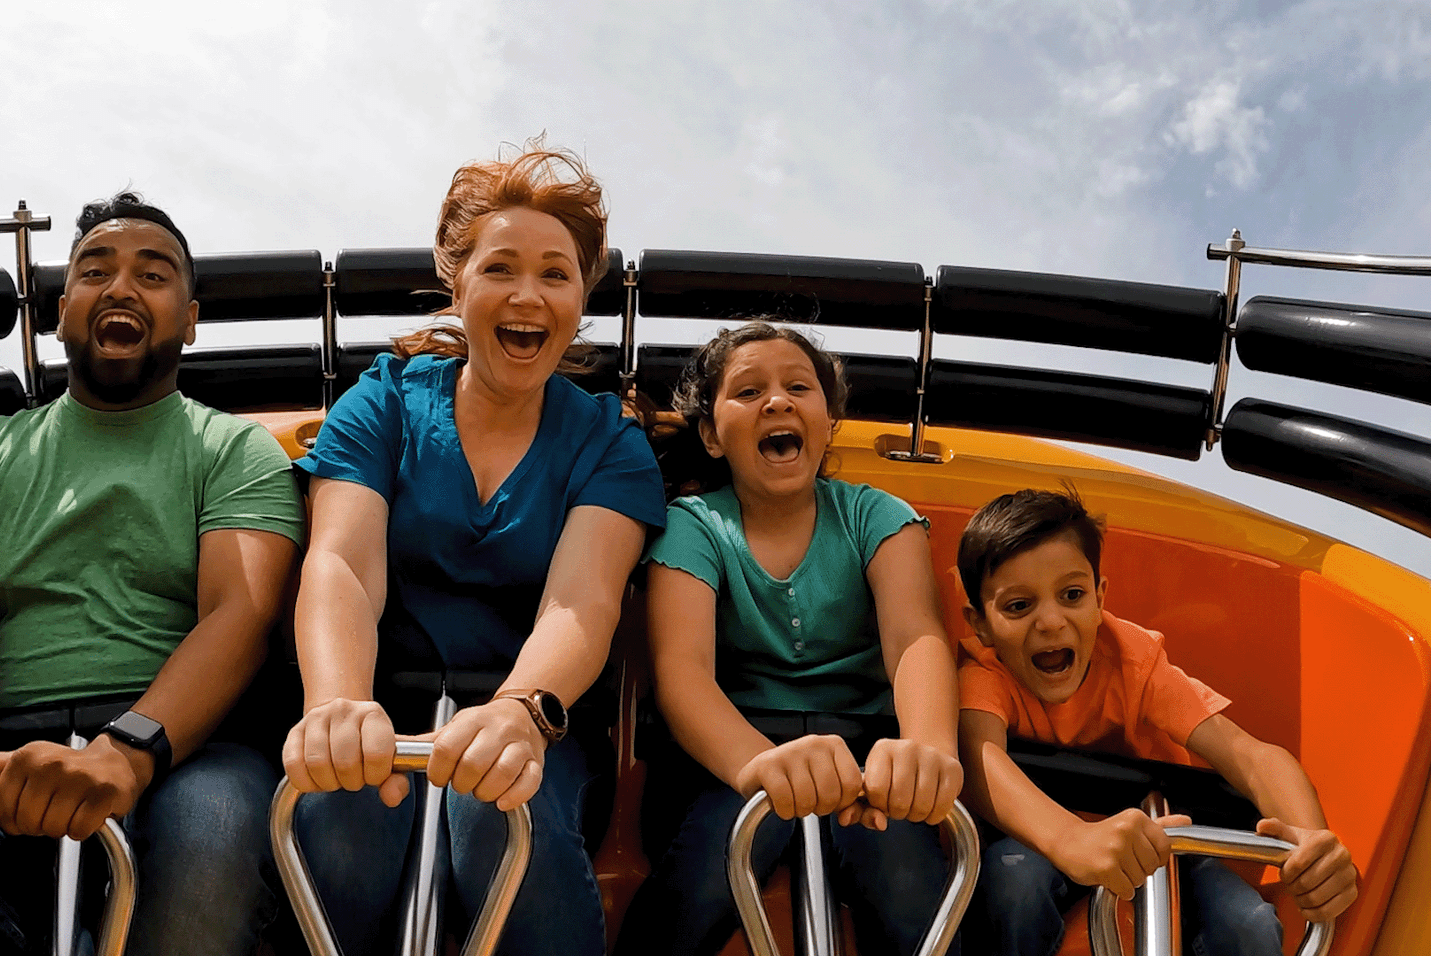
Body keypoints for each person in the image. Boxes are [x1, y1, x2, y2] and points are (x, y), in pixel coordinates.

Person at [0, 193, 303, 956]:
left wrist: (123, 753)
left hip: (181, 755)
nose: (120, 288)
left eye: (153, 274)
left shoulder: (231, 449)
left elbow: (240, 615)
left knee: (212, 829)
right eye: (94, 271)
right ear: (61, 306)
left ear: (191, 316)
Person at [282, 146, 666, 956]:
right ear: (457, 282)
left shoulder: (610, 443)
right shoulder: (380, 402)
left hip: (535, 725)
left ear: (579, 299)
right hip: (379, 708)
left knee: (497, 806)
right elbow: (343, 563)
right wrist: (336, 708)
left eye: (556, 275)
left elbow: (583, 600)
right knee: (338, 814)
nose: (528, 294)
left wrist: (521, 714)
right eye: (501, 268)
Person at [616, 321, 964, 956]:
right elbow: (684, 673)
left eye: (798, 387)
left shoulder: (876, 516)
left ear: (828, 421)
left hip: (866, 756)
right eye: (748, 392)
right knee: (711, 869)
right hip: (728, 754)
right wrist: (757, 764)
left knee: (908, 882)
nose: (777, 401)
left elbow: (915, 636)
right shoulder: (694, 527)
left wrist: (928, 749)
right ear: (711, 436)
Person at [954, 488, 1359, 956]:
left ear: (1100, 597)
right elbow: (978, 754)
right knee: (1014, 882)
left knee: (1246, 925)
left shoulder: (1132, 661)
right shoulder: (983, 673)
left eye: (1072, 595)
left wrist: (1311, 842)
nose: (1050, 621)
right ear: (980, 623)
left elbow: (1250, 755)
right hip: (1043, 843)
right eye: (1019, 606)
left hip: (1160, 845)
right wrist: (1071, 840)